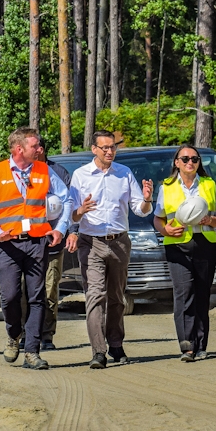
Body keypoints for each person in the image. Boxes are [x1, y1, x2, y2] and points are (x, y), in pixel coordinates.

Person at [0, 127, 72, 370]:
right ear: (19, 149)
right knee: (10, 297)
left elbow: (67, 200)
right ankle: (13, 335)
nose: (40, 149)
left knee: (37, 297)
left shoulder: (45, 170)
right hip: (7, 244)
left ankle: (32, 352)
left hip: (36, 242)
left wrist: (60, 229)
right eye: (35, 146)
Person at [69, 130, 154, 369]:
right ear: (94, 149)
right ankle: (98, 351)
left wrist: (147, 198)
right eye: (104, 148)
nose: (109, 152)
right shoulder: (80, 175)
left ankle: (116, 343)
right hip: (91, 242)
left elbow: (140, 209)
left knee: (117, 297)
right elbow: (72, 215)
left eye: (113, 147)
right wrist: (81, 211)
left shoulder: (124, 173)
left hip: (119, 242)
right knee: (95, 296)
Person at [153, 144, 216, 362]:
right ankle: (187, 346)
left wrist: (211, 221)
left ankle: (201, 345)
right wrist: (165, 229)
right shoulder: (166, 186)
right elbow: (158, 217)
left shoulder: (209, 184)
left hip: (204, 243)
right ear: (177, 163)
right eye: (185, 159)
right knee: (183, 293)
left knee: (203, 294)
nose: (190, 163)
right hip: (177, 245)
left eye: (194, 159)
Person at [37, 136, 78, 351]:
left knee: (50, 290)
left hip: (54, 242)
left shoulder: (59, 173)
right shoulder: (20, 172)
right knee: (28, 291)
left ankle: (47, 335)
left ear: (41, 149)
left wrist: (72, 232)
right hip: (28, 242)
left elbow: (70, 204)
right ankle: (27, 333)